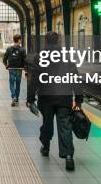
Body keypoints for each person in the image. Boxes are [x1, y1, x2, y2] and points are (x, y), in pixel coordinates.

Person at [28, 32, 83, 172]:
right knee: (65, 126)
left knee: (47, 124)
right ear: (58, 40)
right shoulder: (66, 56)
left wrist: (30, 98)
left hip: (46, 97)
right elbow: (75, 77)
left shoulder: (40, 57)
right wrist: (78, 98)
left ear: (45, 41)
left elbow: (34, 79)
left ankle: (45, 147)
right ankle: (69, 156)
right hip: (64, 97)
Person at [3, 34, 26, 106]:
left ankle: (13, 96)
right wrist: (25, 68)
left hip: (11, 68)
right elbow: (25, 60)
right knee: (18, 84)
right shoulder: (22, 49)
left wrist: (6, 65)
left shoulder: (9, 48)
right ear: (19, 40)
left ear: (13, 40)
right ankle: (17, 98)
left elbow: (4, 59)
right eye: (20, 39)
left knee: (11, 83)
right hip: (19, 69)